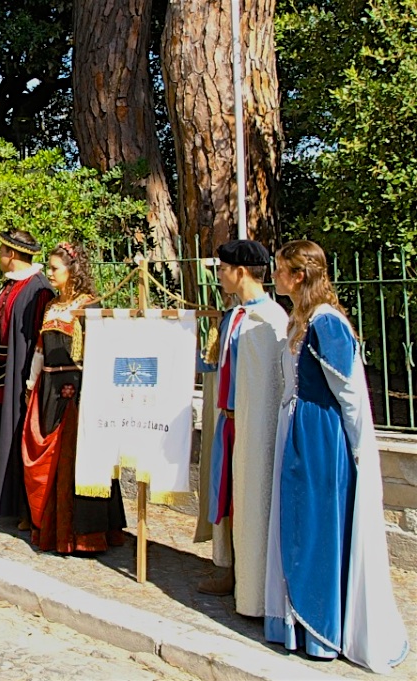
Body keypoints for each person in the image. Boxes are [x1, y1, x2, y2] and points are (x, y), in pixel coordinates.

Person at [264, 240, 409, 671]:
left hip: (321, 438)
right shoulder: (301, 320)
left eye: (281, 269)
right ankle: (298, 624)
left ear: (299, 276)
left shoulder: (327, 324)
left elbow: (351, 395)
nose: (276, 276)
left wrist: (362, 451)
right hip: (299, 430)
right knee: (297, 523)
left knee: (316, 528)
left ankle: (321, 628)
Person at [194, 240, 287, 619]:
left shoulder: (271, 321)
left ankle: (255, 582)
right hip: (229, 422)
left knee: (252, 496)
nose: (219, 275)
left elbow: (269, 385)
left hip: (254, 424)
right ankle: (230, 567)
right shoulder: (234, 316)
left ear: (242, 271)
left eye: (223, 268)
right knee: (228, 495)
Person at [21, 242, 126, 553]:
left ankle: (82, 536)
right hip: (49, 389)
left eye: (55, 268)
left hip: (79, 392)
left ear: (72, 270)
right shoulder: (52, 305)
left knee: (77, 459)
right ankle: (50, 527)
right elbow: (40, 348)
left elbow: (102, 353)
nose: (50, 273)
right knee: (51, 459)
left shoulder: (89, 306)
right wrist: (31, 383)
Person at [0, 230, 53, 522]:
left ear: (13, 255)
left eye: (1, 251)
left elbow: (37, 339)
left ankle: (24, 506)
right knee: (3, 433)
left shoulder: (39, 290)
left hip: (21, 374)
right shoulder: (8, 286)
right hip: (0, 371)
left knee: (19, 435)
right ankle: (5, 497)